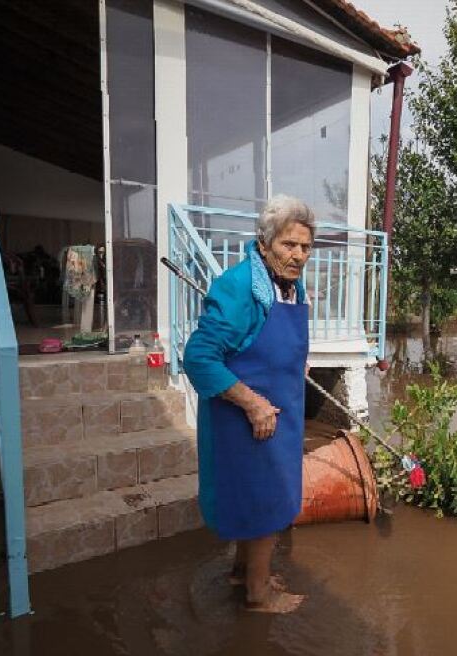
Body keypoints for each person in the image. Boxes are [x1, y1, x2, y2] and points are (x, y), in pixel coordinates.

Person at [183, 195, 314, 614]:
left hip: (281, 414)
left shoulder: (289, 286)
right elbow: (199, 357)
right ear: (264, 244)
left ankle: (243, 572)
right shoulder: (240, 287)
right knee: (265, 501)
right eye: (288, 245)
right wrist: (253, 404)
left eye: (305, 247)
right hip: (249, 419)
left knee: (259, 498)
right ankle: (260, 595)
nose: (297, 255)